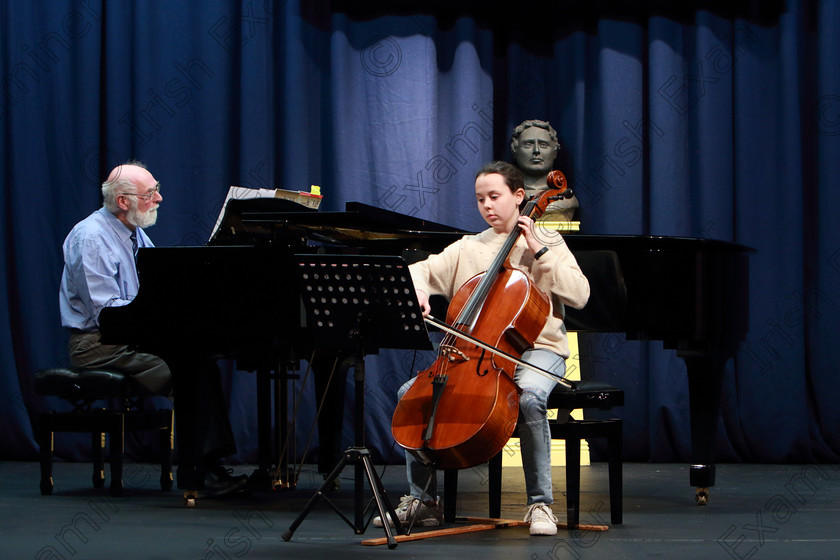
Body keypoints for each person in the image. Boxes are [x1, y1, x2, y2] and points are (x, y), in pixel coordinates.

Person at [375, 161, 590, 536]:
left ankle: (541, 504)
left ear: (519, 196)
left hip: (540, 349)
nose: (487, 206)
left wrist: (538, 249)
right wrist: (421, 291)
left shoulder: (550, 243)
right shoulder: (467, 247)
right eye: (480, 199)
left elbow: (581, 295)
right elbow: (416, 271)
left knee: (530, 399)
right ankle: (423, 502)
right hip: (475, 355)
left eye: (495, 196)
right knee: (410, 394)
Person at [59, 161, 246, 497]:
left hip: (127, 336)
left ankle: (209, 463)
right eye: (150, 193)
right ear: (123, 202)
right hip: (98, 344)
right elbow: (107, 312)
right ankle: (200, 473)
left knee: (200, 364)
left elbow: (156, 293)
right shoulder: (91, 237)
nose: (159, 198)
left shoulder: (135, 232)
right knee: (188, 371)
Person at [510, 119, 579, 222]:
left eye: (543, 145)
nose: (536, 150)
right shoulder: (507, 198)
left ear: (554, 152)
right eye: (528, 144)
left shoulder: (566, 200)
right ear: (515, 150)